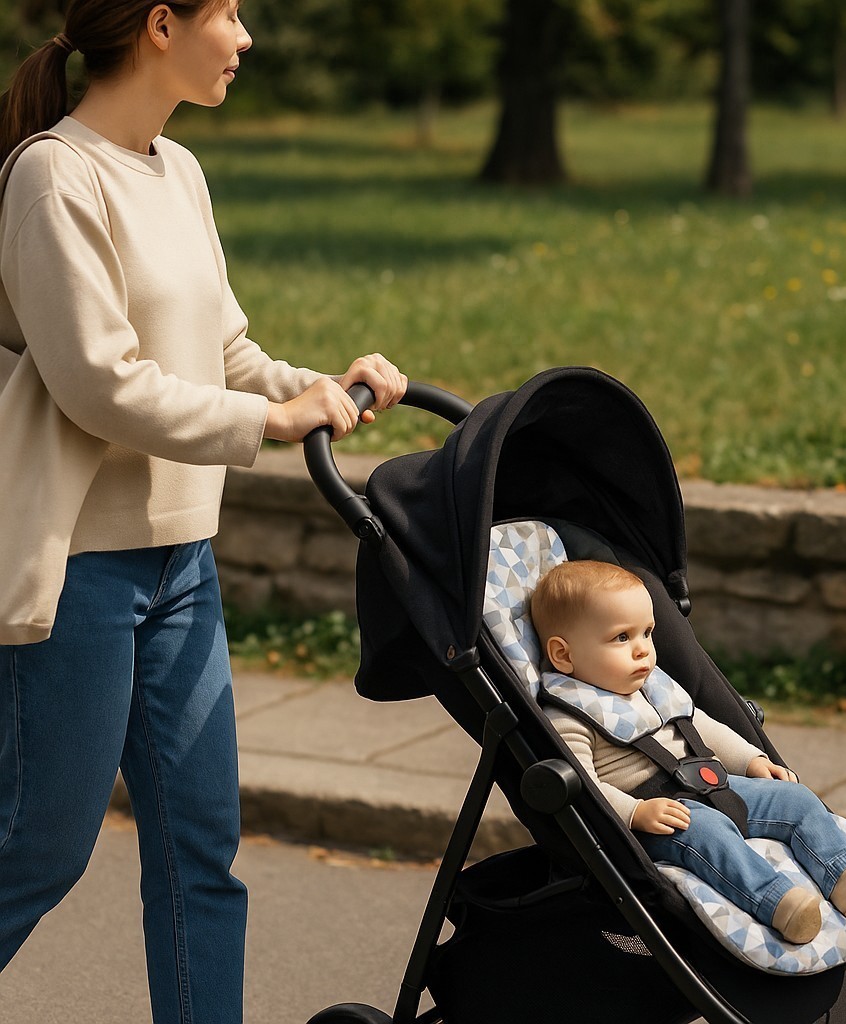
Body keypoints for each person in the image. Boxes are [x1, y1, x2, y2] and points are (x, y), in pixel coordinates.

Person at [0, 2, 406, 1021]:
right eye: (228, 12)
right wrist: (266, 421)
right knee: (36, 852)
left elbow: (226, 354)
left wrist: (327, 384)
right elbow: (97, 381)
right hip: (81, 568)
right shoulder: (55, 175)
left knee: (201, 856)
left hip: (183, 563)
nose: (247, 36)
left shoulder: (177, 170)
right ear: (160, 25)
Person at [530, 560, 846, 945]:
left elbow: (702, 727)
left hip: (708, 779)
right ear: (564, 655)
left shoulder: (653, 689)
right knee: (709, 831)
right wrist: (635, 813)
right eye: (621, 638)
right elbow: (583, 785)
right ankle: (779, 903)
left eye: (647, 633)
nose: (643, 651)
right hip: (656, 813)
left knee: (795, 799)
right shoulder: (568, 716)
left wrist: (752, 760)